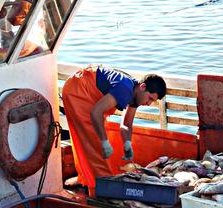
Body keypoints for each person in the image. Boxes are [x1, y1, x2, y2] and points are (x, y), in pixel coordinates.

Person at [62, 65, 167, 196]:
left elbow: (126, 124)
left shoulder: (136, 94)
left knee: (89, 140)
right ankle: (100, 192)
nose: (149, 103)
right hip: (78, 91)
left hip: (89, 95)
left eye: (153, 101)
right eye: (150, 98)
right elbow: (96, 112)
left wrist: (127, 143)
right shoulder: (125, 89)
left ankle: (86, 177)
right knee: (95, 145)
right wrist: (104, 142)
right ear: (143, 87)